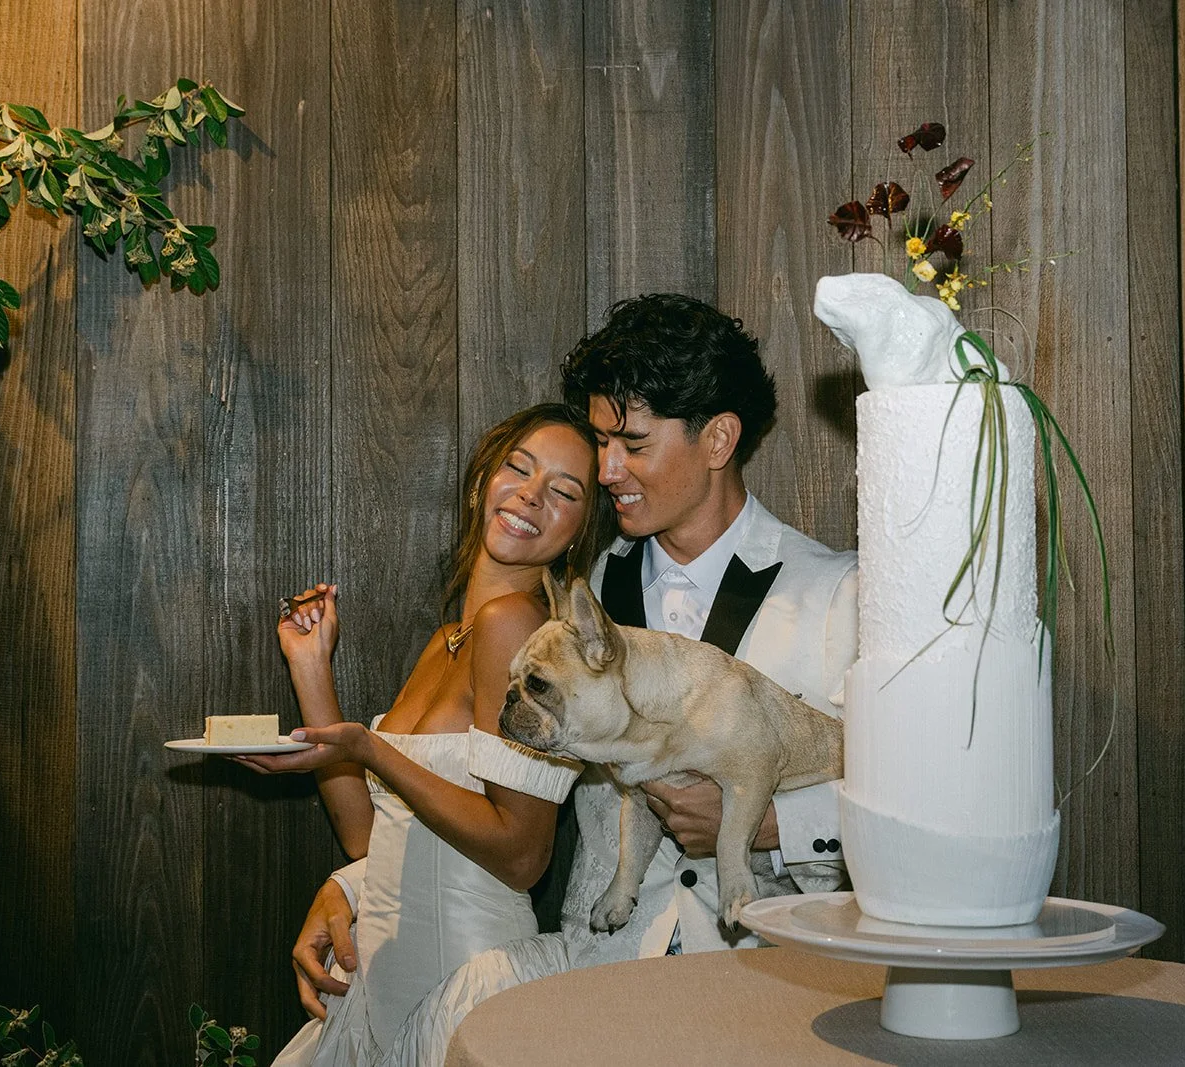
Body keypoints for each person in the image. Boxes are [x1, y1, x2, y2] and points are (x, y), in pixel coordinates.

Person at [294, 294, 858, 1062]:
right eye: (601, 442)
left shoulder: (833, 592)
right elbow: (501, 803)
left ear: (718, 438)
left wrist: (768, 824)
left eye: (632, 441)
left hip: (772, 999)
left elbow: (906, 811)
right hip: (597, 991)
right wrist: (357, 885)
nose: (608, 469)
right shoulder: (566, 604)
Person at [236, 403, 615, 1067]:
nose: (531, 493)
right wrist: (311, 670)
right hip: (381, 991)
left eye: (564, 490)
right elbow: (369, 836)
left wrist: (370, 747)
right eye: (518, 468)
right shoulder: (449, 640)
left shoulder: (516, 625)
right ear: (480, 485)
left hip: (465, 985)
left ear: (580, 531)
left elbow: (524, 854)